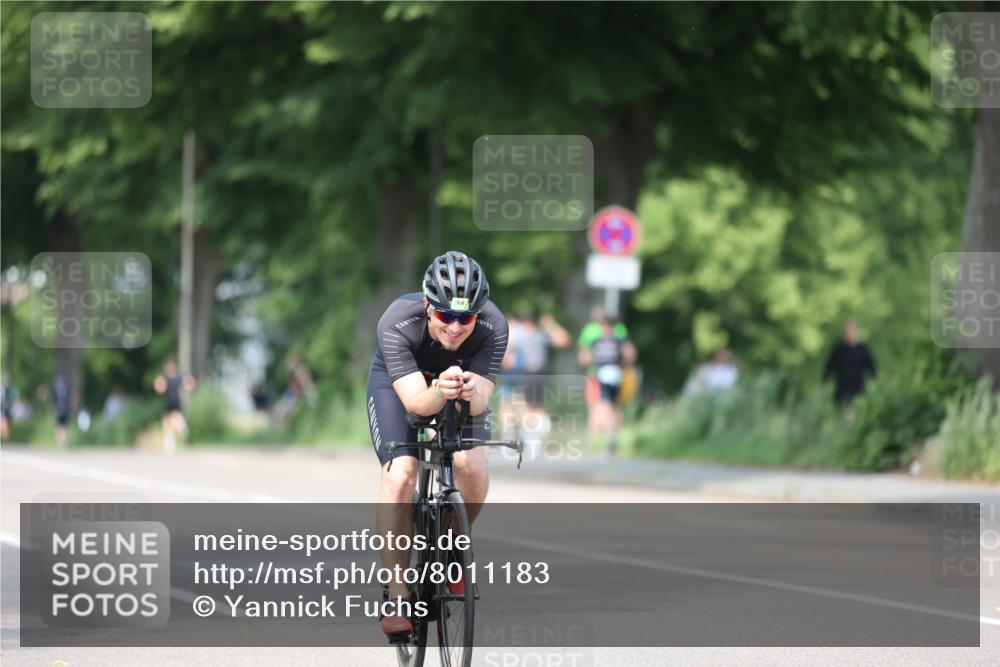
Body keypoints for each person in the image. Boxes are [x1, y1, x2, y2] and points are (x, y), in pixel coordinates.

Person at [367, 251, 507, 637]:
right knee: (400, 475)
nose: (456, 327)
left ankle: (450, 547)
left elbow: (482, 400)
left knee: (472, 467)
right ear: (428, 306)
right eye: (446, 315)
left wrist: (467, 390)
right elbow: (415, 404)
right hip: (402, 388)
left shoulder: (494, 326)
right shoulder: (397, 321)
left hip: (458, 389)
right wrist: (439, 390)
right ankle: (398, 596)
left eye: (466, 317)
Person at [499, 310, 571, 446]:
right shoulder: (523, 335)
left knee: (528, 406)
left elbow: (563, 340)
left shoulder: (535, 335)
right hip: (525, 374)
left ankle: (533, 435)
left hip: (532, 374)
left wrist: (551, 325)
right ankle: (530, 436)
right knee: (523, 406)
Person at [578, 312, 636, 457]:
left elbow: (584, 357)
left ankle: (603, 440)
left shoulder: (603, 339)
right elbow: (630, 354)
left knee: (605, 405)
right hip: (605, 375)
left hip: (603, 375)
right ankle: (604, 440)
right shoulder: (616, 338)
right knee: (607, 406)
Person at [823, 320, 877, 407]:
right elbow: (829, 366)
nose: (848, 334)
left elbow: (872, 367)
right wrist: (825, 381)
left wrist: (874, 381)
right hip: (841, 389)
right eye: (846, 332)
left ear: (856, 332)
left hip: (859, 388)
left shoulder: (863, 349)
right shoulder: (838, 348)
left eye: (851, 331)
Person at [153, 357, 196, 454]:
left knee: (168, 421)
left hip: (170, 400)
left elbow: (159, 386)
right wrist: (191, 386)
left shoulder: (166, 377)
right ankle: (180, 430)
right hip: (177, 400)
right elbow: (187, 383)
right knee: (174, 418)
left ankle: (173, 438)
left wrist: (158, 387)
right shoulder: (178, 376)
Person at [52, 373, 72, 447]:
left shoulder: (57, 391)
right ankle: (64, 440)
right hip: (64, 411)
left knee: (60, 427)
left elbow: (54, 402)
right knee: (63, 427)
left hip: (61, 411)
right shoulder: (65, 390)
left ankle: (63, 441)